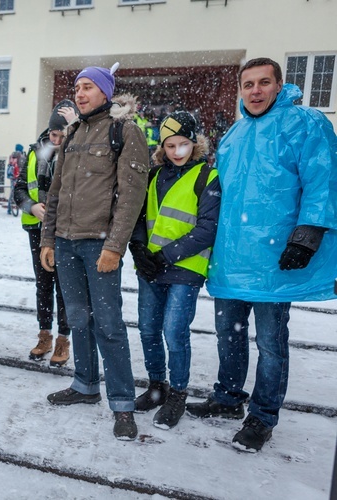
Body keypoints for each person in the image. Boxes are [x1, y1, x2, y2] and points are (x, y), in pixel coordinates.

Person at [186, 57, 337, 452]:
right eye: (248, 84)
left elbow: (323, 179)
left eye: (263, 83)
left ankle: (263, 415)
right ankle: (228, 397)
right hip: (234, 256)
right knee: (228, 334)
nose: (255, 91)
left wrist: (307, 234)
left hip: (275, 256)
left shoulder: (305, 123)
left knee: (270, 341)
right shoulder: (233, 135)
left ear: (279, 85)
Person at [40, 65, 149, 440]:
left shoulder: (125, 131)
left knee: (109, 324)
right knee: (78, 319)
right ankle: (84, 385)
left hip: (98, 244)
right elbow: (54, 192)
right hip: (67, 243)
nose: (80, 93)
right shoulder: (71, 134)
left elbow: (132, 194)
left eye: (88, 87)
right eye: (77, 87)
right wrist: (48, 239)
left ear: (105, 92)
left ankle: (122, 404)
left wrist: (115, 246)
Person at [128, 111, 220, 430]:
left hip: (185, 269)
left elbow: (207, 228)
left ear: (194, 144)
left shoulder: (207, 176)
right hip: (152, 268)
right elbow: (139, 218)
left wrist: (165, 255)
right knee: (148, 330)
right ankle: (157, 387)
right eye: (170, 145)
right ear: (162, 147)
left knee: (174, 332)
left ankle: (178, 393)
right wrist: (139, 249)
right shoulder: (153, 176)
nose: (177, 151)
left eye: (183, 144)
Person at [14, 99, 77, 367]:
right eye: (54, 134)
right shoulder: (35, 152)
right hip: (37, 229)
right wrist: (31, 206)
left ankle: (63, 339)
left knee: (65, 287)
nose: (58, 140)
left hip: (65, 231)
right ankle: (44, 336)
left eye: (63, 136)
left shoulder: (76, 152)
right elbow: (19, 189)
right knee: (43, 285)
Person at [6, 144, 25, 214]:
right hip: (18, 176)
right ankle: (19, 206)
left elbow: (9, 165)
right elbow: (23, 166)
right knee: (19, 191)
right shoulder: (21, 156)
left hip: (12, 176)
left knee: (12, 192)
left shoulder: (12, 155)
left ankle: (9, 208)